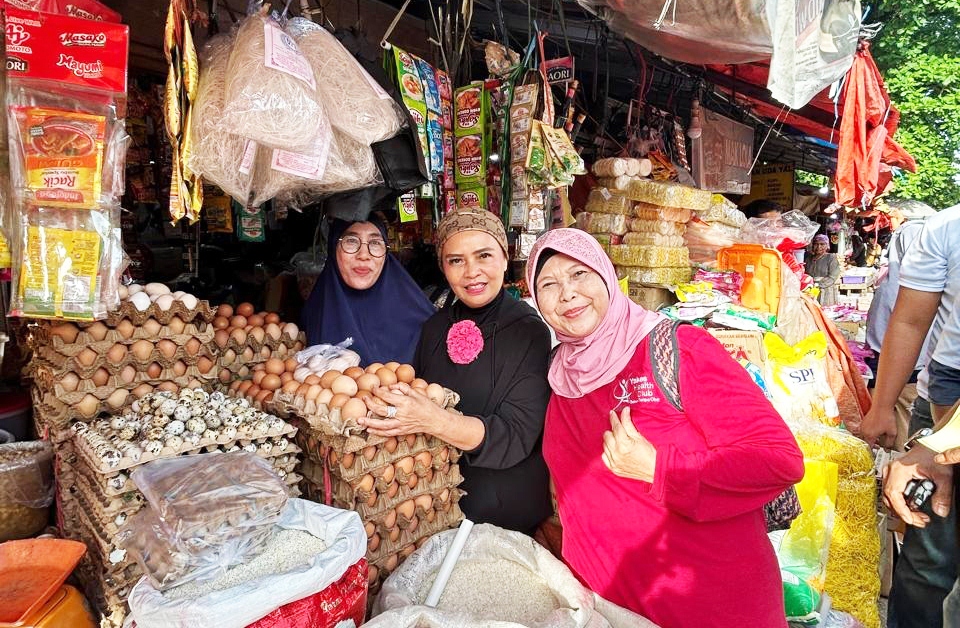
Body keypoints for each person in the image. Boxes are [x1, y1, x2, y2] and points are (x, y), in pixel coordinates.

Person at [524, 228, 804, 628]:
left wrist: (659, 468)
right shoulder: (559, 374)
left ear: (606, 275)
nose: (567, 293)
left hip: (708, 605)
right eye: (549, 284)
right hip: (612, 607)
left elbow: (778, 460)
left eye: (579, 274)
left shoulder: (679, 349)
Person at [359, 209, 553, 533]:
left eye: (484, 255)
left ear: (505, 259)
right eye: (456, 260)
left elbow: (516, 434)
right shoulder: (434, 328)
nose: (472, 272)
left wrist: (435, 421)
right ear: (443, 268)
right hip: (437, 502)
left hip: (502, 512)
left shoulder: (528, 331)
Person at [861, 204, 960, 628]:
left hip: (944, 421)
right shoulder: (945, 228)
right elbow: (909, 321)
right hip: (944, 392)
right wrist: (882, 407)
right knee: (928, 561)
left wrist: (936, 444)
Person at [301, 216, 435, 364]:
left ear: (386, 252)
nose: (364, 255)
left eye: (375, 243)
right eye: (351, 241)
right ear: (333, 249)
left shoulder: (421, 318)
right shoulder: (316, 312)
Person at [808, 233, 841, 306]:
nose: (818, 247)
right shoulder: (808, 259)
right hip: (810, 290)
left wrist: (817, 286)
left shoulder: (831, 257)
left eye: (822, 244)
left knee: (824, 311)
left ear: (827, 246)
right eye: (816, 244)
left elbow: (832, 277)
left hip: (825, 290)